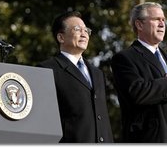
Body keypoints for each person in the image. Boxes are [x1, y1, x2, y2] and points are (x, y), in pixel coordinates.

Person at [111, 2, 167, 143]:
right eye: (156, 19)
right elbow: (137, 93)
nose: (162, 24)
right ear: (139, 25)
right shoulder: (125, 58)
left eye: (163, 20)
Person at [37, 11, 113, 143]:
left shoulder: (97, 74)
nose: (84, 34)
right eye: (77, 29)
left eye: (86, 30)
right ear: (61, 37)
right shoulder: (47, 70)